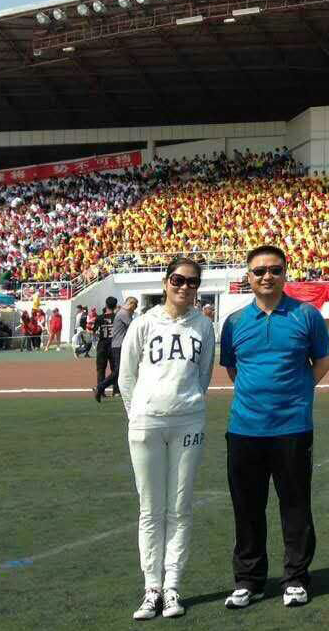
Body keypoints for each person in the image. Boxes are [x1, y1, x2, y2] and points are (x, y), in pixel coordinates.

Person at [220, 245, 329, 610]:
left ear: (285, 273)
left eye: (274, 270)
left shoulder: (306, 315)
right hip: (244, 430)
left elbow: (322, 362)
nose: (266, 276)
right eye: (259, 271)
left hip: (292, 429)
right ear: (248, 276)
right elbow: (234, 369)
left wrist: (296, 393)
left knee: (295, 506)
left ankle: (296, 578)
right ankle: (248, 580)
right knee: (247, 508)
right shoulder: (234, 322)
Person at [118, 258, 217, 620]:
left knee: (179, 507)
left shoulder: (204, 326)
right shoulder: (144, 323)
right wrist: (139, 413)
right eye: (178, 279)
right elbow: (126, 377)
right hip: (147, 423)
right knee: (150, 509)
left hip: (188, 422)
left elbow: (203, 376)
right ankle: (151, 588)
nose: (184, 287)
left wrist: (186, 405)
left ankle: (172, 586)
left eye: (192, 282)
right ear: (165, 282)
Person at [97, 297, 138, 402]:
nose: (135, 308)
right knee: (118, 370)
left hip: (113, 344)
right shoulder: (124, 314)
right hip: (119, 345)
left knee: (113, 369)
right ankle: (102, 387)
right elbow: (134, 327)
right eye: (135, 305)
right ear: (130, 304)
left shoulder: (121, 313)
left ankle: (104, 388)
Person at [95, 297, 119, 398]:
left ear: (106, 305)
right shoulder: (117, 317)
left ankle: (101, 391)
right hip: (114, 345)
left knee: (101, 369)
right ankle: (116, 391)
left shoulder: (99, 318)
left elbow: (95, 332)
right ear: (115, 306)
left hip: (102, 346)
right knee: (115, 369)